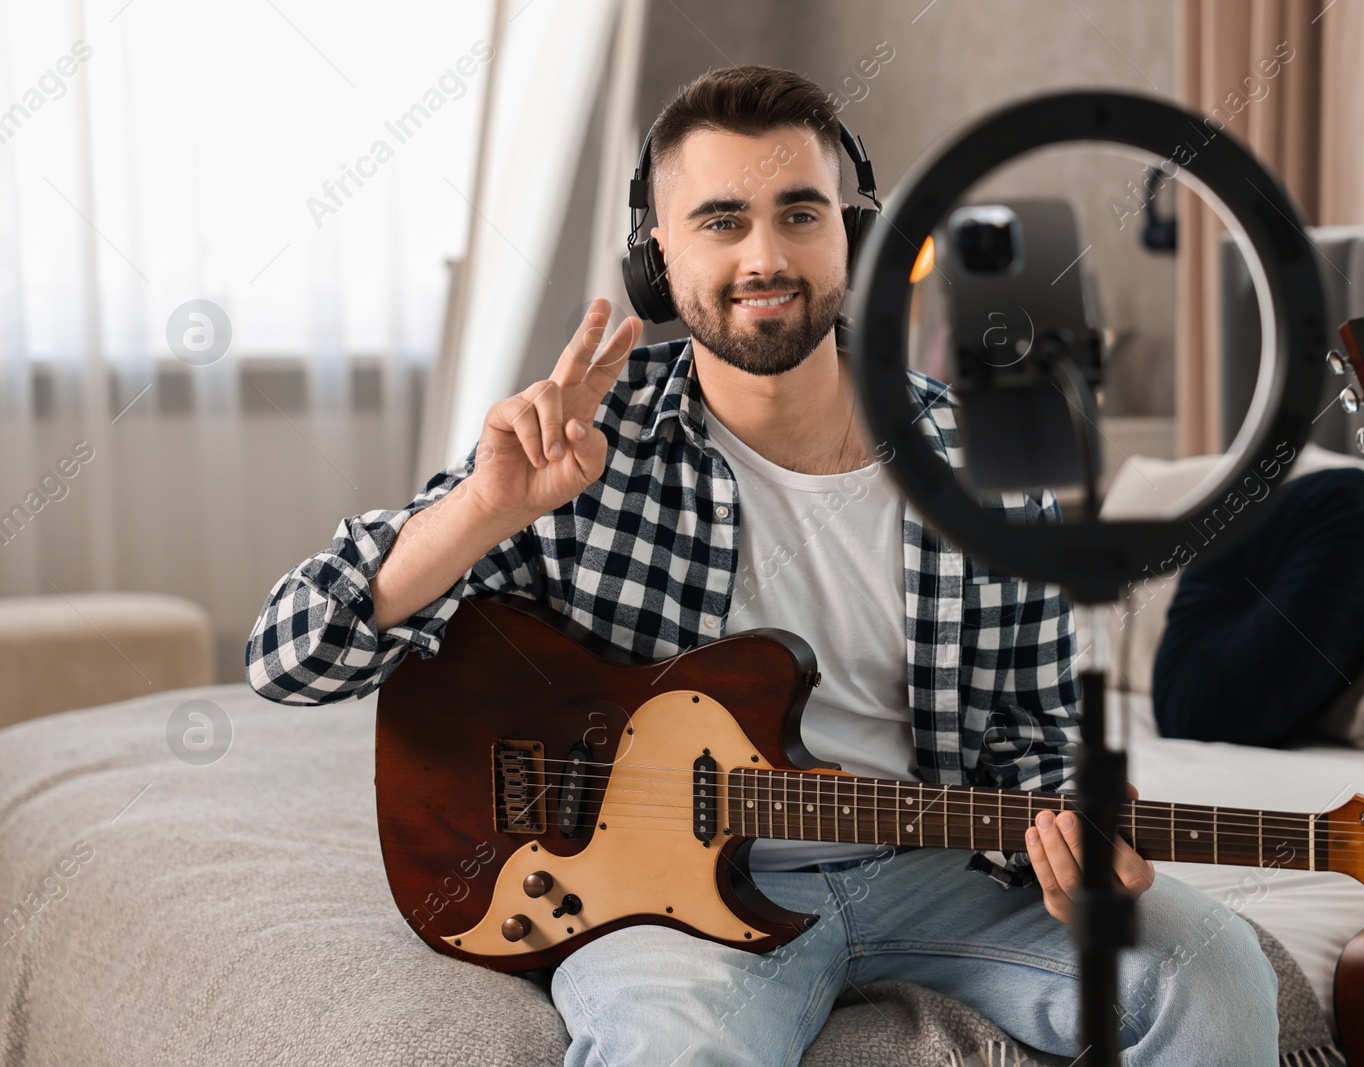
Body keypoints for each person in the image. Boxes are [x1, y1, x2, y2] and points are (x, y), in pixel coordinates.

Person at [246, 63, 1278, 1067]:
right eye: (720, 219)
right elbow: (288, 657)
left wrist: (1070, 823)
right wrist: (479, 510)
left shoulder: (986, 469)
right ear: (656, 257)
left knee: (1212, 964)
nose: (764, 256)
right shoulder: (578, 450)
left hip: (928, 865)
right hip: (665, 901)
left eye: (799, 212)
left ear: (854, 234)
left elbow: (1032, 730)